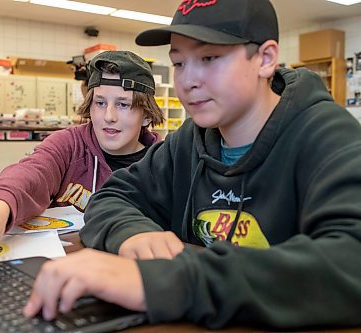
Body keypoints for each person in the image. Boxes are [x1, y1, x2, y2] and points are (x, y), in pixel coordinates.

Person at [23, 0, 361, 330]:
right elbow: (112, 197)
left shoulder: (328, 136)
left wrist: (166, 282)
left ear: (265, 58)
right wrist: (132, 233)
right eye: (180, 63)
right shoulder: (189, 140)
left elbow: (349, 261)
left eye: (209, 58)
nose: (187, 81)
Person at [0, 50, 164, 254]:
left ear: (147, 115)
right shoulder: (70, 144)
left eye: (123, 104)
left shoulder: (163, 162)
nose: (109, 116)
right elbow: (32, 173)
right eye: (100, 102)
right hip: (65, 268)